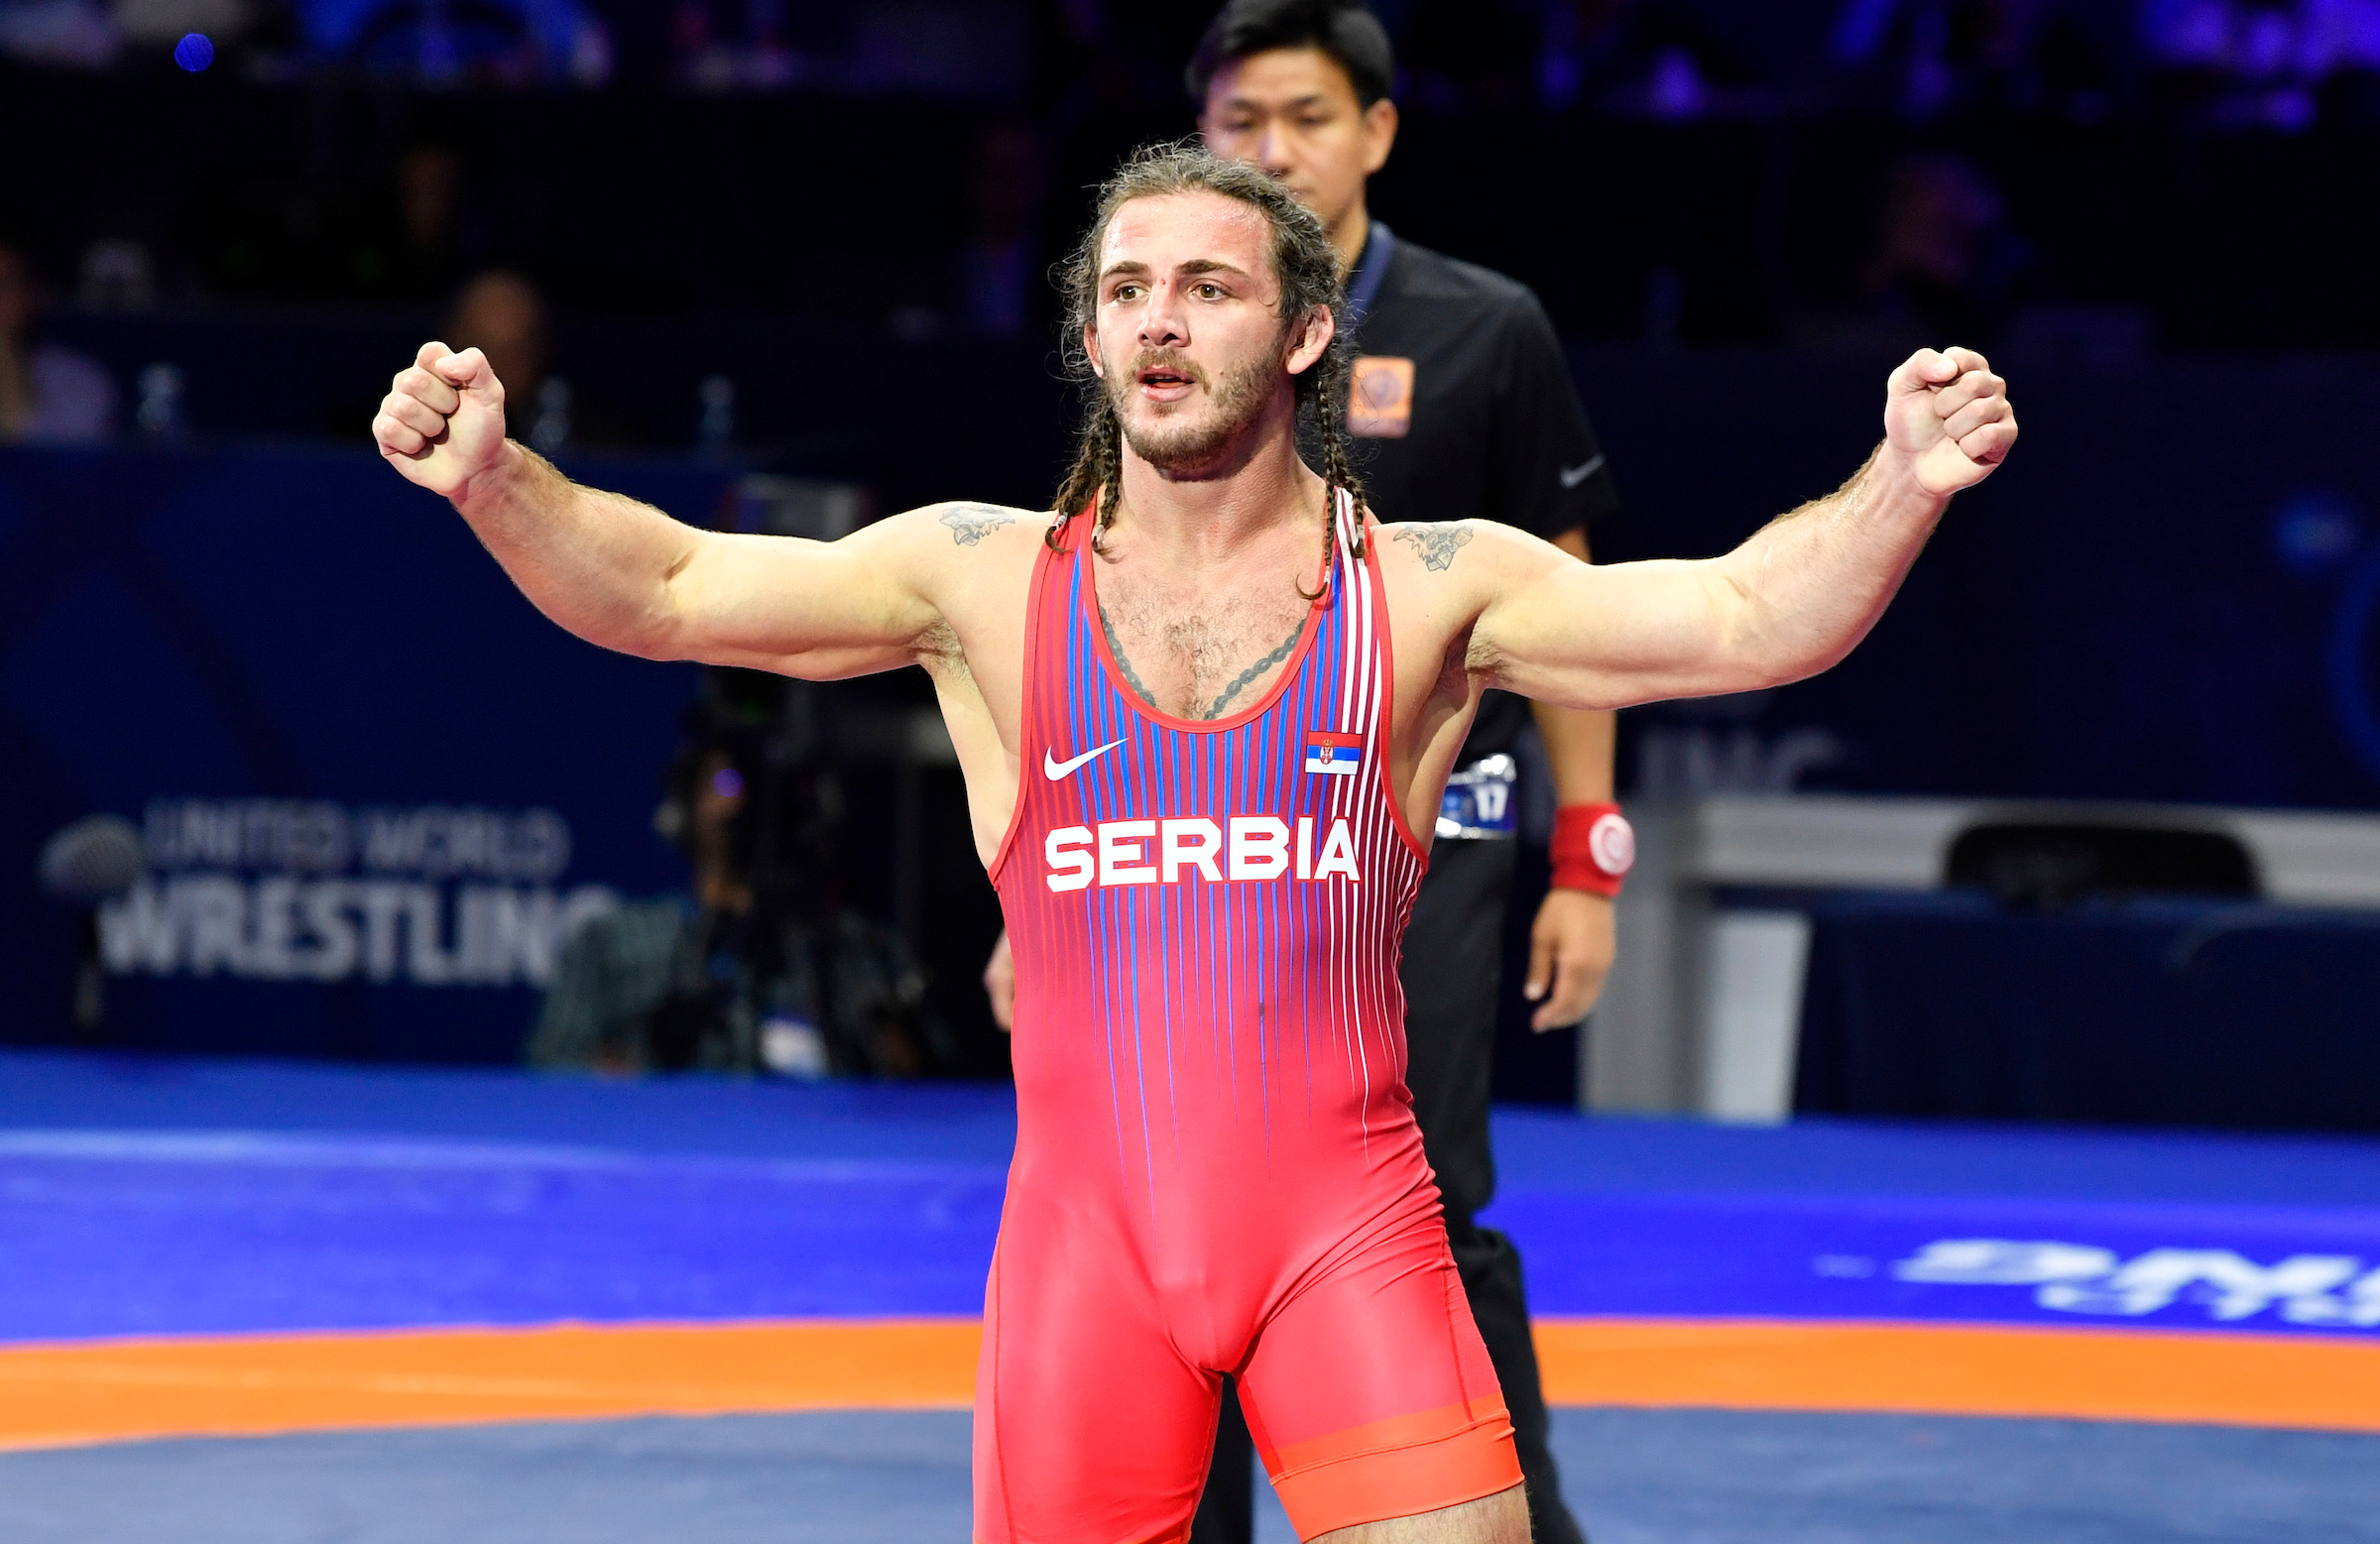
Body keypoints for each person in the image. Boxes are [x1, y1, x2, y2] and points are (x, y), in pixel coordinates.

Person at [372, 143, 2014, 1542]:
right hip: (1086, 1268)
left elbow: (1738, 616)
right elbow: (666, 592)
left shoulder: (1432, 586)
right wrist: (496, 482)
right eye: (1125, 287)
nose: (1159, 318)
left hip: (1351, 1241)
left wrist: (1904, 480)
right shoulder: (984, 583)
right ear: (1087, 334)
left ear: (1305, 332)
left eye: (1208, 288)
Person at [995, 8, 1629, 1535]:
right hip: (1183, 854)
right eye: (1238, 119)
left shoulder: (1487, 325)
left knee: (1429, 1198)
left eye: (1306, 115)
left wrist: (1586, 852)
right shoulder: (1161, 339)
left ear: (1378, 131)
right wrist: (1036, 913)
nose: (1271, 147)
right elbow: (1078, 618)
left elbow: (1574, 595)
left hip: (1423, 838)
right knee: (1172, 1212)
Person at [0, 241, 116, 444]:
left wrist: (4, 351)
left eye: (4, 285)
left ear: (30, 295)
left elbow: (32, 459)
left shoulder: (77, 378)